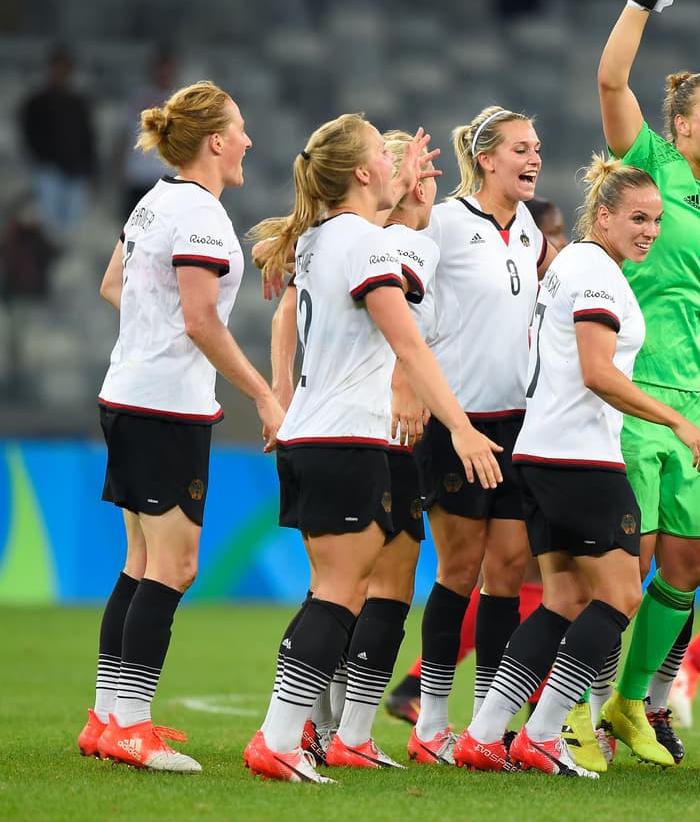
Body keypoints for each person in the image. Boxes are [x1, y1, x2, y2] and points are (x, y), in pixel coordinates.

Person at [242, 114, 501, 783]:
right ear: (361, 172)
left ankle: (292, 733)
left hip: (314, 435)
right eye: (381, 158)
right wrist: (463, 426)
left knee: (334, 591)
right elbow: (409, 344)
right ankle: (281, 736)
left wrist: (404, 185)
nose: (396, 166)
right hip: (348, 438)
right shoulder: (364, 243)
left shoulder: (322, 237)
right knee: (337, 595)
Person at [454, 157, 700, 776]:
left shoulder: (574, 263)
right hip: (580, 458)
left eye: (656, 219)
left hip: (542, 452)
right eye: (637, 219)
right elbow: (598, 372)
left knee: (564, 599)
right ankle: (544, 733)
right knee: (621, 596)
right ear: (603, 216)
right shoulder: (596, 270)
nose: (649, 230)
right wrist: (676, 419)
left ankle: (485, 733)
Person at [82, 80, 283, 773]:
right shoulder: (199, 213)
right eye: (242, 129)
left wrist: (149, 339)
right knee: (176, 565)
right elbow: (200, 319)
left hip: (131, 394)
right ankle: (130, 723)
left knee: (140, 562)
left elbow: (116, 283)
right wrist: (263, 392)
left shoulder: (155, 201)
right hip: (164, 407)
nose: (250, 141)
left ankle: (107, 716)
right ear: (216, 141)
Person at [593, 0, 700, 767]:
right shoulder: (645, 164)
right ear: (678, 123)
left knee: (688, 560)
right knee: (628, 560)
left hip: (694, 395)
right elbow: (612, 81)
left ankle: (631, 701)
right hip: (632, 387)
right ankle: (573, 707)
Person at [407, 105, 555, 766]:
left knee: (507, 575)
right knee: (458, 570)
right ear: (487, 157)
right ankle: (431, 719)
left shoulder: (527, 226)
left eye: (538, 147)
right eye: (522, 148)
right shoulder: (442, 222)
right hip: (455, 422)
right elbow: (399, 305)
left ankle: (487, 727)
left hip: (518, 421)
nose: (535, 158)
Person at [18, 44, 96, 237]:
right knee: (49, 226)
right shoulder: (36, 101)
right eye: (57, 67)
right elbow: (29, 134)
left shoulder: (78, 102)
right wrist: (42, 160)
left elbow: (87, 137)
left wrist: (90, 169)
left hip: (76, 172)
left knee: (71, 229)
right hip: (49, 171)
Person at [118, 47, 179, 218]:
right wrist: (120, 166)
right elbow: (126, 133)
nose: (163, 73)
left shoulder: (181, 101)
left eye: (167, 68)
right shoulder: (138, 98)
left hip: (168, 178)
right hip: (138, 175)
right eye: (160, 67)